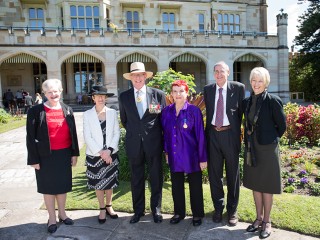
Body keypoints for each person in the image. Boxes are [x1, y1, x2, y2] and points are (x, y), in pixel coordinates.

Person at [26, 79, 79, 234]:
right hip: (44, 156)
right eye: (49, 92)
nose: (53, 94)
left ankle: (62, 214)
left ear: (61, 91)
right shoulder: (35, 111)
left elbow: (73, 134)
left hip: (64, 154)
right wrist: (33, 159)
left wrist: (74, 153)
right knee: (48, 188)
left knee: (62, 186)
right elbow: (30, 137)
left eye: (55, 91)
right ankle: (51, 218)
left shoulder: (68, 109)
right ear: (44, 93)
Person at [119, 62, 166, 224]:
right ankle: (138, 211)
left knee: (156, 178)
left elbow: (162, 120)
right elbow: (125, 121)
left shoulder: (158, 95)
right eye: (134, 75)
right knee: (136, 178)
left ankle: (156, 210)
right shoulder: (124, 97)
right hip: (134, 144)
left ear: (145, 76)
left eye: (140, 75)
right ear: (131, 78)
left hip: (153, 144)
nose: (137, 78)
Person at [242, 67, 286, 239]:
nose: (256, 84)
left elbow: (281, 126)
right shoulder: (247, 101)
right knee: (255, 184)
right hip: (252, 148)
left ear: (266, 83)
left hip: (267, 149)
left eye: (260, 81)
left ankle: (267, 221)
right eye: (254, 80)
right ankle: (258, 219)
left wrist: (269, 138)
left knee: (266, 185)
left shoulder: (273, 101)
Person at [203, 61, 245, 226]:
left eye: (222, 71)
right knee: (215, 176)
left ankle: (232, 210)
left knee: (233, 175)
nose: (219, 74)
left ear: (228, 72)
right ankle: (218, 209)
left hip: (230, 135)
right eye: (216, 72)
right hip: (213, 135)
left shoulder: (238, 88)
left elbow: (241, 112)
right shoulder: (208, 90)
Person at [161, 80, 207, 227]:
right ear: (171, 94)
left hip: (192, 155)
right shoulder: (166, 112)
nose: (178, 94)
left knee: (195, 186)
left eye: (181, 91)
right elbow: (166, 135)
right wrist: (167, 152)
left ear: (186, 93)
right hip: (174, 155)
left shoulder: (194, 111)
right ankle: (179, 213)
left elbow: (200, 136)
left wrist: (202, 158)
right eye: (175, 91)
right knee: (176, 186)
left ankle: (197, 214)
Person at [83, 86, 120, 224]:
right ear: (93, 98)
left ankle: (109, 206)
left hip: (111, 153)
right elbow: (87, 136)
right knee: (99, 184)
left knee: (109, 182)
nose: (100, 98)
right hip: (95, 155)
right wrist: (102, 153)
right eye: (97, 96)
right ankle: (102, 209)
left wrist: (109, 151)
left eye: (103, 96)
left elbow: (116, 133)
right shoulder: (87, 114)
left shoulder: (112, 113)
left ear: (106, 98)